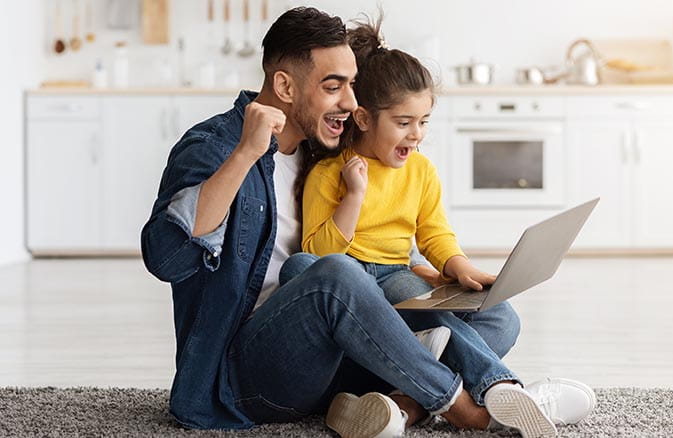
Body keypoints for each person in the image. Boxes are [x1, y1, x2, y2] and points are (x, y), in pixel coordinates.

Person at [140, 7, 586, 438]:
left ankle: (395, 407)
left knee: (496, 317)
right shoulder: (215, 147)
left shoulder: (324, 147)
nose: (351, 103)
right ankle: (470, 410)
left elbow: (384, 228)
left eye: (352, 85)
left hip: (335, 356)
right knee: (333, 273)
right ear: (285, 86)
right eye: (333, 86)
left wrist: (428, 272)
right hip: (245, 377)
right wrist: (246, 154)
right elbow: (167, 258)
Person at [283, 16, 597, 437]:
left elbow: (434, 233)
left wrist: (459, 267)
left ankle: (404, 403)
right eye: (403, 122)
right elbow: (320, 255)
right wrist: (354, 195)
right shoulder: (329, 175)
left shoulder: (421, 171)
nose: (416, 135)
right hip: (352, 281)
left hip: (396, 272)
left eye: (424, 121)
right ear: (363, 118)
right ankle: (499, 386)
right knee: (414, 304)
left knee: (502, 319)